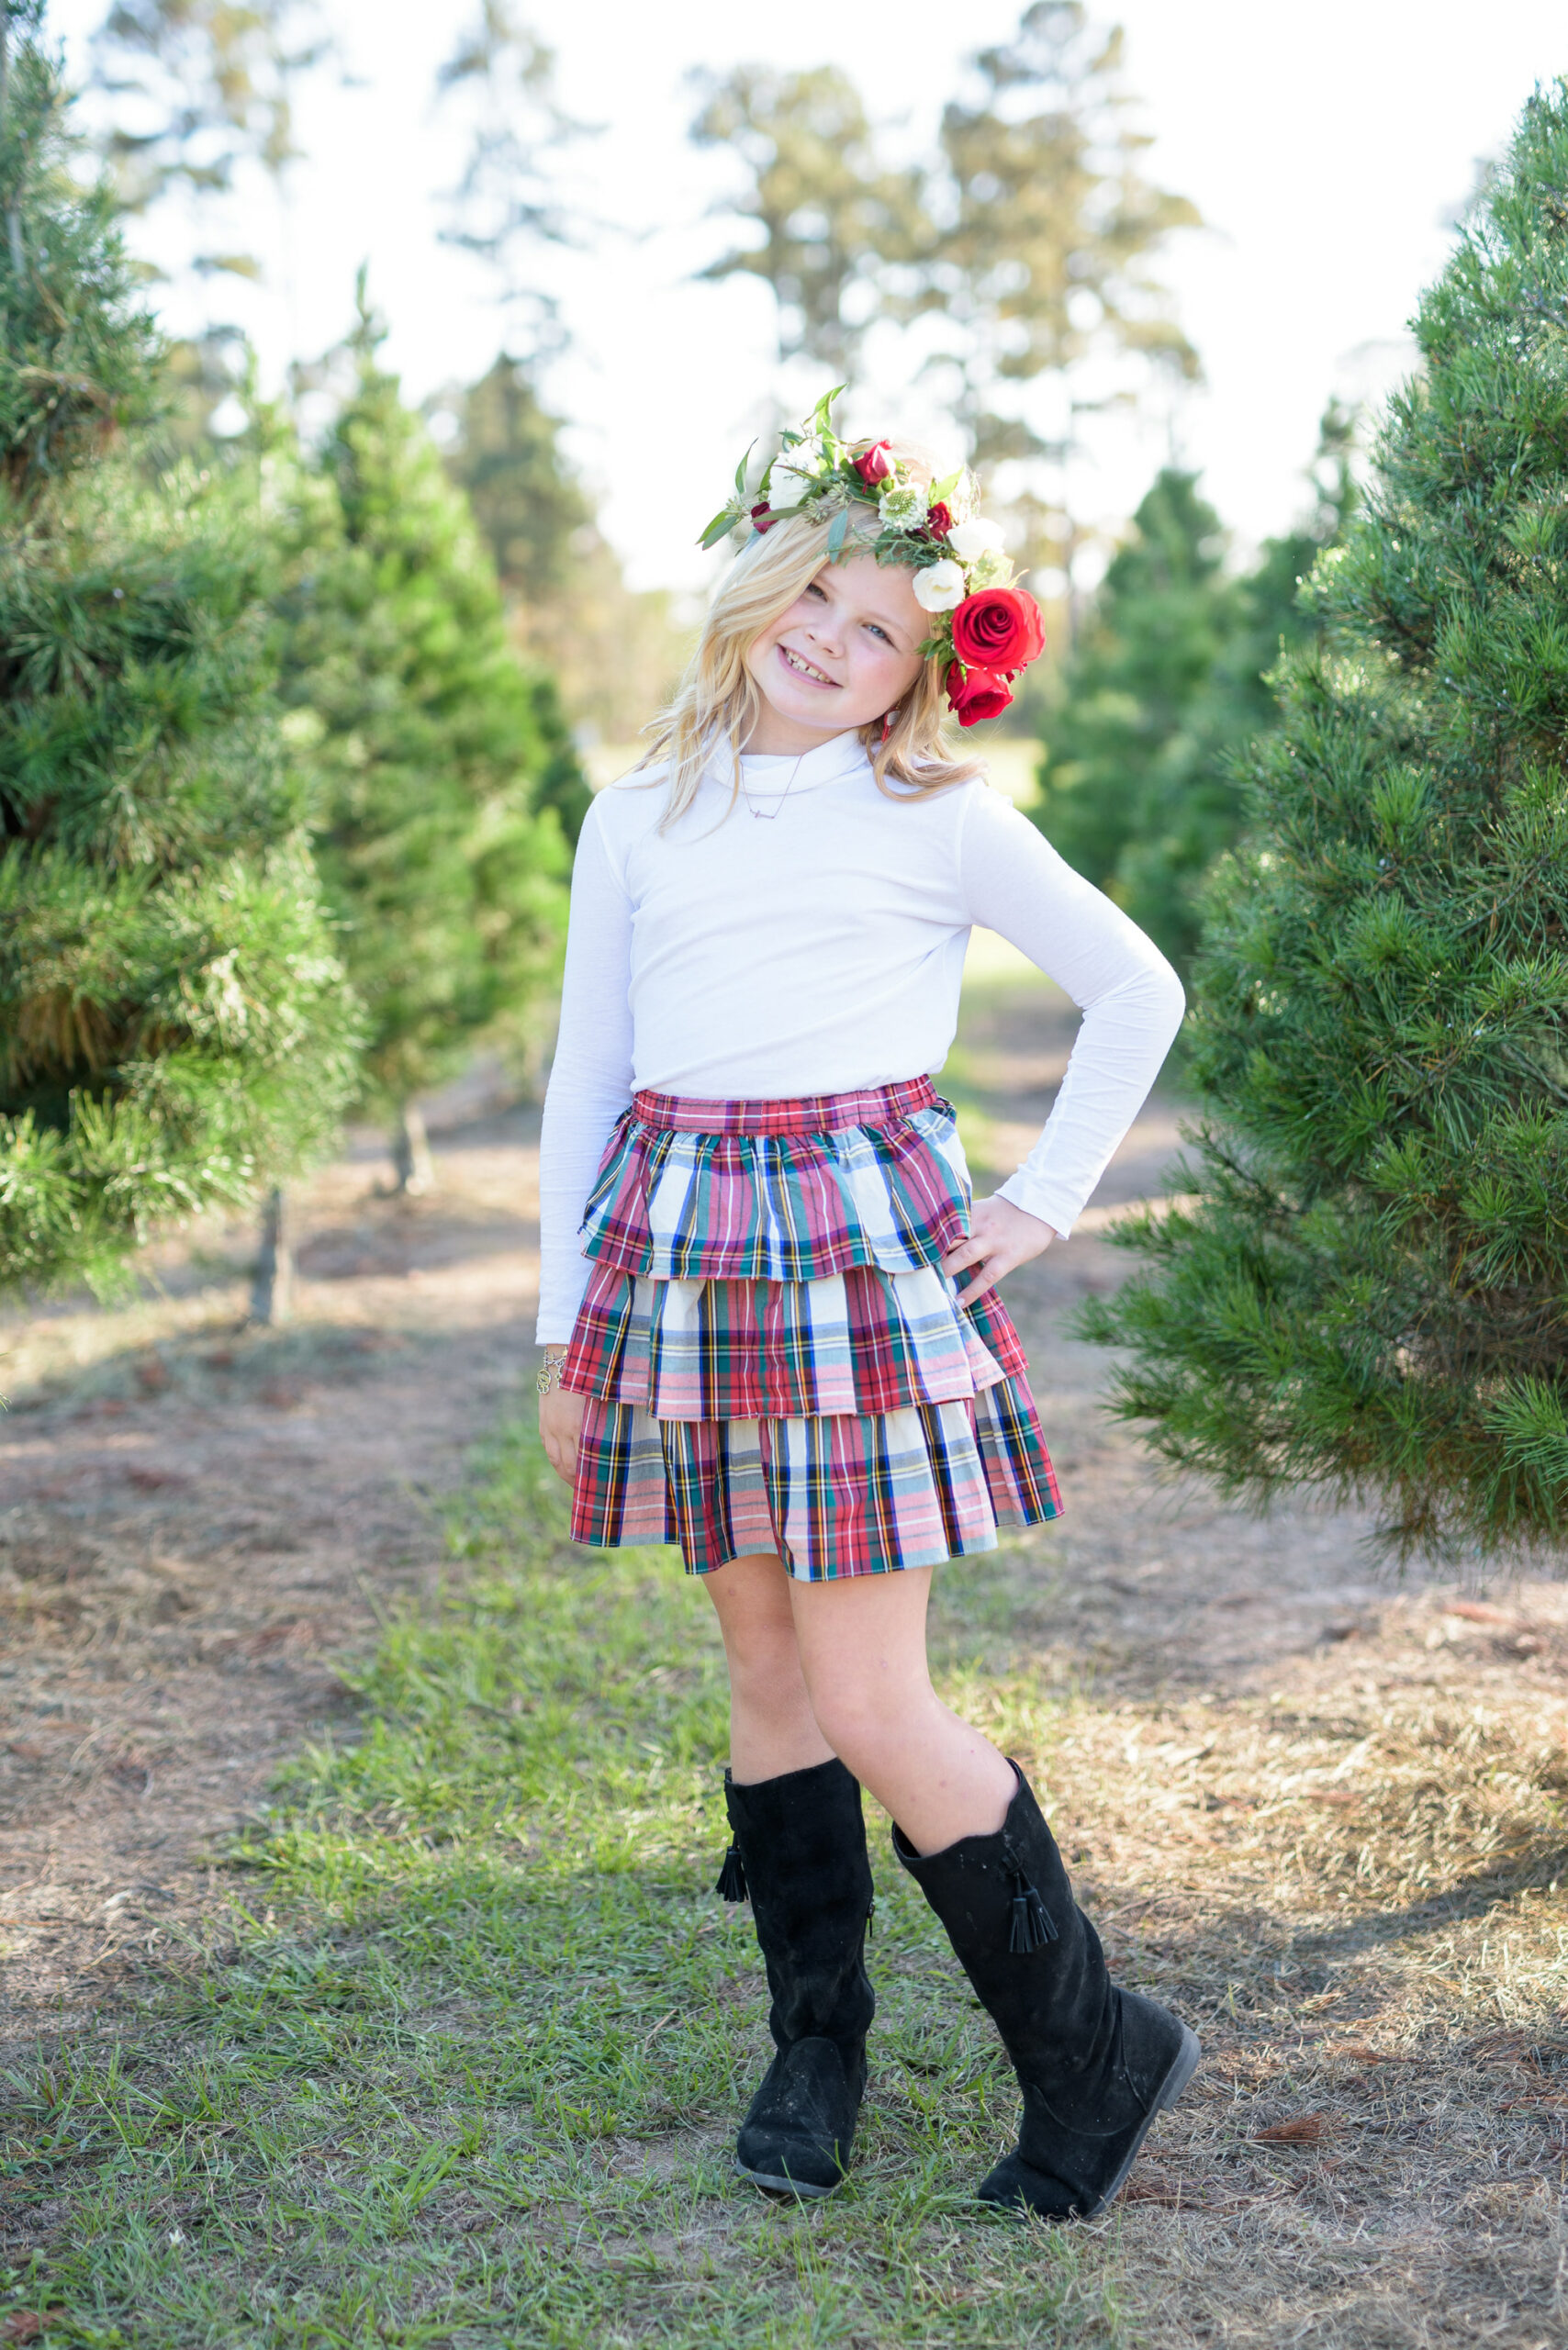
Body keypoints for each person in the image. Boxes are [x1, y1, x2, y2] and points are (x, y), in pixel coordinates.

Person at [535, 397, 1197, 2219]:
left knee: (868, 1686)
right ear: (760, 583)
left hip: (847, 1271)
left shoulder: (932, 817)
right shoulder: (636, 815)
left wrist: (1043, 1194)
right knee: (762, 1665)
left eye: (876, 628)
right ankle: (813, 2044)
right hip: (674, 1256)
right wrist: (554, 1326)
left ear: (918, 668)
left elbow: (1131, 985)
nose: (828, 641)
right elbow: (586, 1076)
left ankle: (1090, 2046)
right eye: (811, 597)